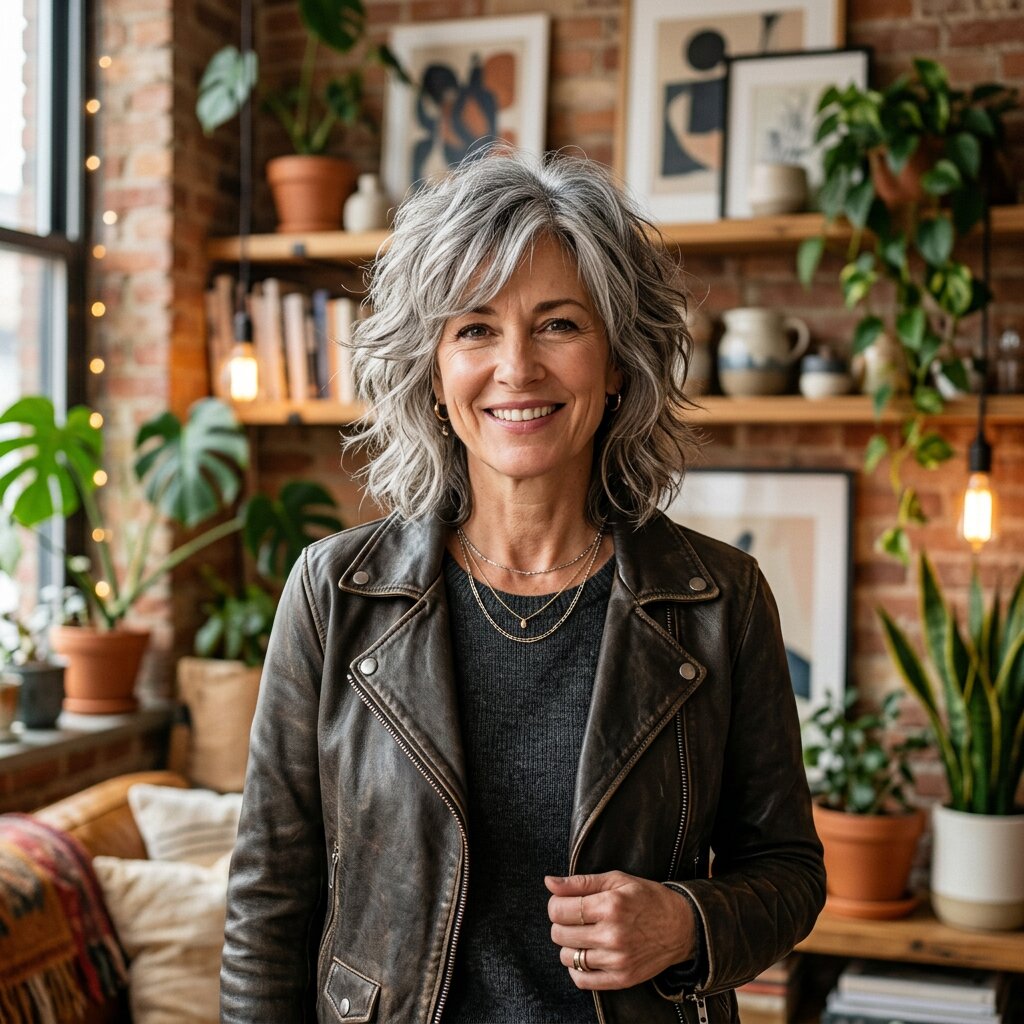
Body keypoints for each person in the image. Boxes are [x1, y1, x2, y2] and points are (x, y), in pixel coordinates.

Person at [220, 150, 825, 1024]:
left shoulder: (719, 600)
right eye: (474, 328)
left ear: (618, 364)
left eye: (558, 325)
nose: (517, 368)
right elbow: (268, 904)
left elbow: (790, 872)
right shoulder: (332, 594)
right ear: (432, 372)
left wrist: (687, 921)